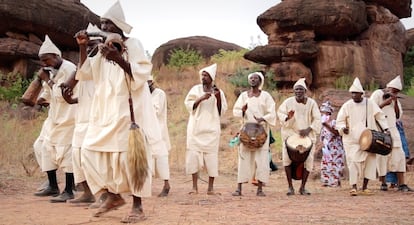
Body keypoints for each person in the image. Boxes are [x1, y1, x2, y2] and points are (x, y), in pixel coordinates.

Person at [75, 1, 163, 223]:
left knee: (129, 159)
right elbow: (85, 73)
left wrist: (117, 58)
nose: (103, 27)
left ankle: (137, 207)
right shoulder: (100, 48)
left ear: (117, 27)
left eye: (107, 24)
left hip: (128, 112)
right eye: (102, 24)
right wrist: (84, 46)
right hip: (104, 112)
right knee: (88, 151)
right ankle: (111, 196)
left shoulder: (132, 44)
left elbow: (141, 75)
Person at [59, 23, 104, 204]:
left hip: (97, 118)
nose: (91, 49)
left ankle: (105, 195)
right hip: (82, 117)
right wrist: (71, 100)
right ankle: (87, 193)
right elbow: (83, 86)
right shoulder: (85, 65)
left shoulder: (105, 63)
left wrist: (83, 47)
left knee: (93, 157)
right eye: (88, 45)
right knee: (77, 157)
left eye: (92, 45)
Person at [33, 35, 77, 203]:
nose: (44, 64)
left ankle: (69, 189)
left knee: (67, 152)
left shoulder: (69, 68)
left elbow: (64, 93)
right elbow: (49, 93)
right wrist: (42, 99)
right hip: (54, 117)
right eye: (42, 61)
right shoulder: (52, 71)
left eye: (47, 60)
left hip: (69, 117)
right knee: (42, 146)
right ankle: (52, 185)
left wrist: (48, 81)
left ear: (56, 56)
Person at [336, 77, 389, 196]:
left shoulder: (370, 103)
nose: (354, 95)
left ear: (361, 94)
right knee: (353, 162)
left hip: (369, 139)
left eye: (356, 93)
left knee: (370, 161)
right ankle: (353, 187)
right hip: (351, 139)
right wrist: (343, 128)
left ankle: (365, 187)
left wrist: (386, 129)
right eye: (352, 93)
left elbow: (379, 116)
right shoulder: (347, 105)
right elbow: (339, 121)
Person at [184, 63, 228, 195]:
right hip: (195, 128)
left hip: (211, 129)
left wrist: (218, 96)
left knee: (211, 158)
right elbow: (188, 104)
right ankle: (194, 187)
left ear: (211, 77)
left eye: (206, 75)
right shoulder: (195, 89)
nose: (203, 77)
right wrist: (201, 98)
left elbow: (222, 110)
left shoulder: (218, 92)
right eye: (202, 75)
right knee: (193, 157)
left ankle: (210, 188)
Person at [232, 71, 276, 197]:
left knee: (262, 160)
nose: (253, 80)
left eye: (255, 78)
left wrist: (262, 118)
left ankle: (260, 189)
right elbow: (236, 110)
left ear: (260, 81)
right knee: (243, 158)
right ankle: (239, 188)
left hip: (261, 131)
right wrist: (243, 110)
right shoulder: (243, 96)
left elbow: (272, 112)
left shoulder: (266, 96)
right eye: (251, 78)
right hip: (246, 130)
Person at [277, 77, 321, 195]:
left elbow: (317, 119)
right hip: (290, 134)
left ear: (305, 91)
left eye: (301, 90)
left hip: (307, 136)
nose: (298, 92)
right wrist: (288, 117)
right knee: (287, 160)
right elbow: (280, 114)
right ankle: (290, 187)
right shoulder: (288, 102)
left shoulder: (312, 103)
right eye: (296, 90)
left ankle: (302, 187)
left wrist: (308, 129)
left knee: (309, 161)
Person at [370, 75, 413, 192]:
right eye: (393, 90)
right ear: (388, 87)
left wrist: (394, 102)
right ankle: (383, 183)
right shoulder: (377, 94)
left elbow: (398, 115)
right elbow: (371, 110)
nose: (393, 92)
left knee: (399, 155)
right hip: (380, 129)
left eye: (396, 92)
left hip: (393, 129)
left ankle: (402, 184)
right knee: (382, 156)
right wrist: (386, 102)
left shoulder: (395, 99)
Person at [147, 75, 171, 197]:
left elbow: (156, 111)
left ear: (152, 82)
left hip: (158, 131)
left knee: (161, 157)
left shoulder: (159, 93)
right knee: (147, 158)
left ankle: (166, 185)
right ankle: (144, 187)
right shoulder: (142, 95)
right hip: (146, 131)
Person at [319, 101, 345, 187]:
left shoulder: (334, 122)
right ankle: (326, 181)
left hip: (335, 147)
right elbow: (322, 135)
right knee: (326, 164)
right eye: (322, 113)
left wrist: (327, 125)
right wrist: (321, 143)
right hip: (326, 147)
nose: (324, 115)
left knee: (335, 164)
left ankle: (336, 182)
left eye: (325, 113)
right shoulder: (322, 124)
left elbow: (337, 133)